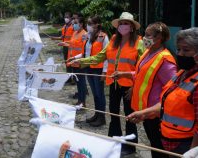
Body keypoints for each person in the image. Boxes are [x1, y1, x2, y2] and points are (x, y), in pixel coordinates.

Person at [70, 12, 145, 155]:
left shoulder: (138, 42)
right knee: (114, 112)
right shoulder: (114, 40)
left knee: (129, 115)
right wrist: (82, 61)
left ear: (132, 27)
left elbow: (142, 67)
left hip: (129, 85)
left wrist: (135, 86)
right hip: (114, 83)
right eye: (121, 24)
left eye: (126, 24)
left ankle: (130, 146)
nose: (123, 26)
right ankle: (114, 139)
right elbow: (100, 57)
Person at [127, 28, 198, 155]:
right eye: (179, 49)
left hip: (185, 145)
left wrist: (193, 153)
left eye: (186, 50)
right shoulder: (181, 73)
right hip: (168, 139)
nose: (180, 54)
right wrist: (145, 113)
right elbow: (167, 101)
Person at [113, 22, 177, 157]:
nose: (144, 38)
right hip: (147, 111)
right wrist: (124, 74)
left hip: (156, 113)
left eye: (148, 35)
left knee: (158, 147)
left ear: (158, 37)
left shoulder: (165, 60)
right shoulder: (148, 52)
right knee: (153, 144)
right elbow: (141, 73)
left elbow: (173, 91)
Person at [68, 16, 109, 127]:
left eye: (90, 23)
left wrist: (105, 72)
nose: (88, 26)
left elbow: (107, 56)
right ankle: (96, 114)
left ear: (97, 24)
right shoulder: (89, 37)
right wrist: (75, 58)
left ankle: (101, 118)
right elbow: (86, 54)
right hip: (89, 68)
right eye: (88, 23)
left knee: (100, 94)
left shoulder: (104, 37)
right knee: (95, 94)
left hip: (98, 70)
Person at [59, 17, 88, 107]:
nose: (73, 25)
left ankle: (82, 102)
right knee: (78, 83)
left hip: (79, 62)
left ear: (81, 24)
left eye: (75, 23)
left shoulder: (84, 34)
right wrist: (65, 44)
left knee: (81, 83)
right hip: (73, 62)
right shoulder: (75, 33)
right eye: (73, 23)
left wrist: (76, 58)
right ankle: (80, 101)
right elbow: (72, 44)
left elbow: (84, 50)